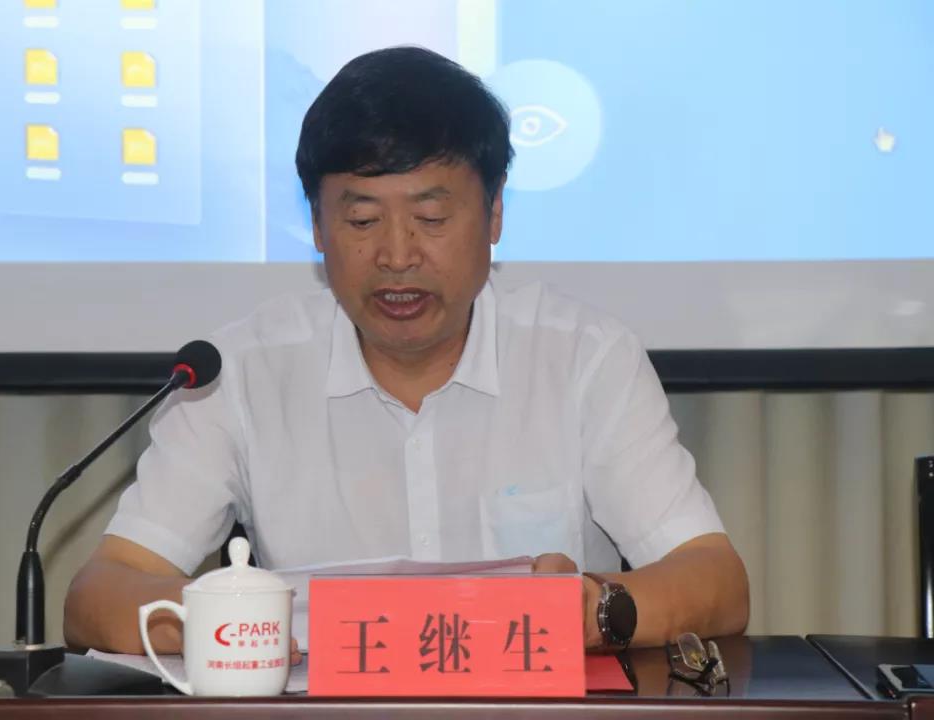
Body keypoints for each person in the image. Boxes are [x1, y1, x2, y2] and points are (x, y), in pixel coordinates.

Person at [64, 46, 748, 656]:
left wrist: (596, 611)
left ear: (495, 214)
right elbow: (101, 594)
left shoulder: (584, 359)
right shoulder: (239, 374)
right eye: (362, 219)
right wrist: (223, 623)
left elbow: (716, 582)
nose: (396, 255)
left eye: (431, 218)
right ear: (317, 227)